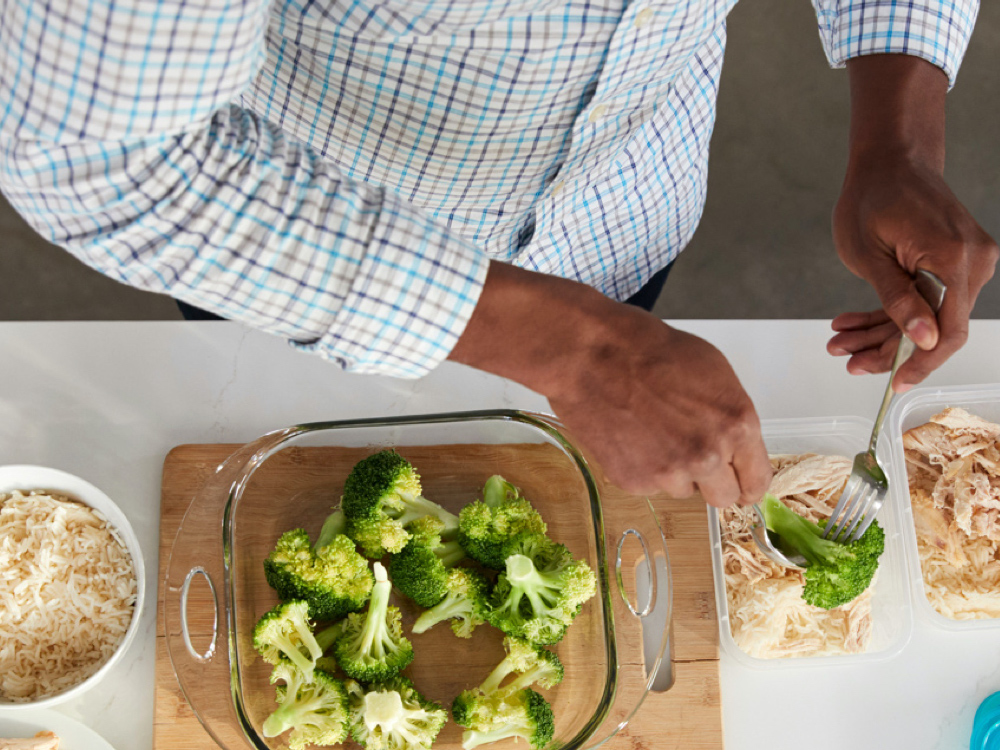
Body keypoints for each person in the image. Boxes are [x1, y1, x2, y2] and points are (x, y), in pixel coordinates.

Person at [0, 0, 996, 509]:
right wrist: (580, 354)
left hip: (627, 200)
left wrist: (895, 132)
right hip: (291, 243)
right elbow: (89, 155)